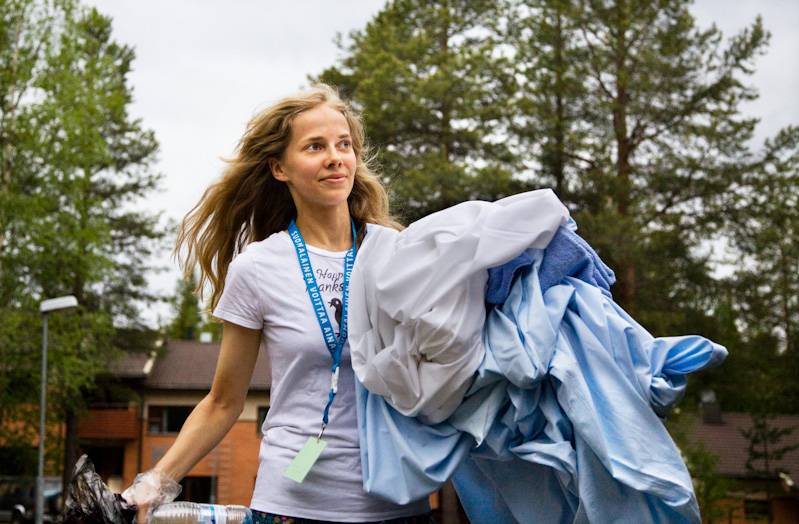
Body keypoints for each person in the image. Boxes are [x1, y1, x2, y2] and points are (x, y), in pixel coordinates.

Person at [122, 84, 434, 524]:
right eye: (314, 146)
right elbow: (222, 402)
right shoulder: (257, 268)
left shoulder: (399, 252)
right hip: (294, 505)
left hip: (399, 502)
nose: (334, 156)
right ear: (279, 168)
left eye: (343, 144)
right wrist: (155, 482)